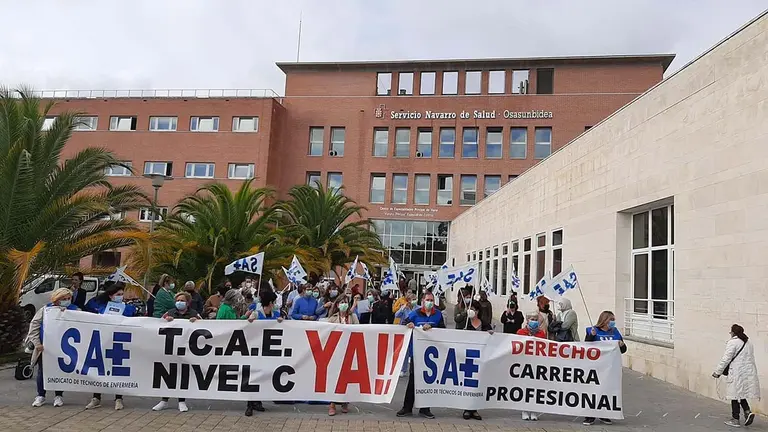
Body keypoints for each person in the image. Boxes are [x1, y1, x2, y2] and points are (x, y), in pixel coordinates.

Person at [84, 282, 137, 410]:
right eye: (117, 294)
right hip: (102, 341)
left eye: (121, 294)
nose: (120, 296)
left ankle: (119, 398)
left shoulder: (128, 308)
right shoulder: (100, 306)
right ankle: (96, 397)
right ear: (111, 296)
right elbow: (85, 311)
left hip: (119, 343)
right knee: (99, 370)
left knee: (117, 371)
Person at [397, 291, 445, 420]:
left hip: (432, 354)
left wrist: (433, 329)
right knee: (413, 379)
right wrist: (409, 325)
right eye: (428, 300)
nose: (430, 302)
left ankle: (425, 409)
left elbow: (444, 330)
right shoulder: (415, 313)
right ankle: (407, 407)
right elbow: (403, 324)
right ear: (423, 301)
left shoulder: (438, 315)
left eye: (432, 300)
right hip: (417, 352)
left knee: (428, 381)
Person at [27, 288, 79, 407]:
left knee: (59, 371)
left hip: (64, 348)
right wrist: (37, 343)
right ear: (56, 299)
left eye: (68, 299)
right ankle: (41, 395)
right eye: (63, 299)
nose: (66, 301)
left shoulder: (75, 310)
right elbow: (34, 325)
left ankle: (58, 396)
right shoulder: (46, 310)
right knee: (42, 371)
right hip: (45, 347)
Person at [153, 292, 201, 412]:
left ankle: (181, 401)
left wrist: (197, 321)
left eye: (182, 300)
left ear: (188, 302)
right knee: (168, 374)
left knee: (182, 374)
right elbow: (156, 325)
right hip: (170, 349)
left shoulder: (194, 313)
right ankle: (164, 400)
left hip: (186, 349)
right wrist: (166, 321)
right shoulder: (170, 312)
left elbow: (204, 326)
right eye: (178, 300)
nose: (179, 302)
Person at [582, 311, 627, 426]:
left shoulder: (615, 332)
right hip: (596, 367)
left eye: (614, 319)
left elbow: (623, 350)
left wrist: (622, 345)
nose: (613, 322)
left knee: (607, 391)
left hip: (610, 367)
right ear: (605, 320)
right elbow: (586, 347)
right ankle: (590, 416)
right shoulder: (593, 330)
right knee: (593, 390)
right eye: (611, 319)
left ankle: (605, 414)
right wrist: (590, 336)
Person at [713, 324, 760, 428]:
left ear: (733, 333)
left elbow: (726, 359)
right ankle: (747, 412)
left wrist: (717, 372)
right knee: (740, 394)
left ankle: (735, 419)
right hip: (747, 373)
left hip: (736, 373)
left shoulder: (733, 343)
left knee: (734, 395)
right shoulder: (749, 342)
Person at [325, 295, 359, 416]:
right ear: (337, 304)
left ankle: (345, 402)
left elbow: (359, 331)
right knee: (334, 377)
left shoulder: (353, 317)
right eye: (341, 302)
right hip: (335, 351)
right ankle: (332, 403)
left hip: (349, 349)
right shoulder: (332, 318)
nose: (344, 305)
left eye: (346, 302)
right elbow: (325, 331)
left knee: (347, 377)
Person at [460, 300, 493, 420]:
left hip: (480, 358)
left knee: (478, 384)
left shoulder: (484, 324)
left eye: (474, 309)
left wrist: (490, 334)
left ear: (478, 311)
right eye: (470, 309)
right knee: (468, 383)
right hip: (467, 358)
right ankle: (467, 409)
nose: (472, 311)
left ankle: (474, 409)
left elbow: (492, 339)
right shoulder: (465, 323)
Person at [517, 313, 546, 421]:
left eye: (535, 319)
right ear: (527, 320)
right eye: (532, 319)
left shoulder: (541, 333)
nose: (534, 321)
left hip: (537, 363)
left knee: (535, 387)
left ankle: (534, 410)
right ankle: (524, 410)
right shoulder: (521, 333)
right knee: (525, 387)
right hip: (524, 363)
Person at [394, 292, 418, 377]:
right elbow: (396, 315)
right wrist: (402, 308)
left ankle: (416, 369)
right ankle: (403, 369)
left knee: (415, 351)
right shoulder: (405, 308)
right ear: (409, 301)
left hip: (416, 332)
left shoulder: (418, 308)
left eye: (415, 299)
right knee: (405, 351)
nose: (414, 301)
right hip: (406, 332)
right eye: (413, 299)